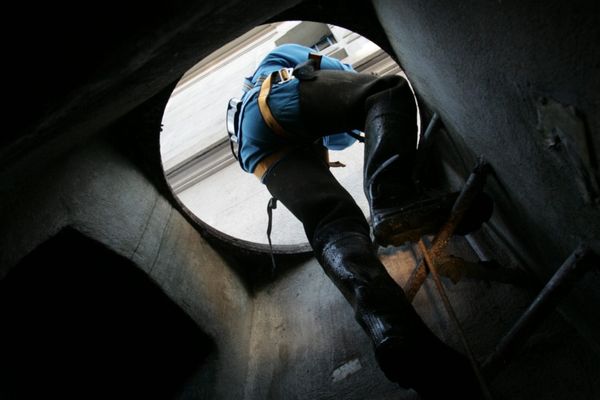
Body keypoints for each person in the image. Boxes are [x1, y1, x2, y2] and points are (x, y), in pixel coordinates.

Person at [229, 43, 488, 398]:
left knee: (334, 224)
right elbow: (349, 106)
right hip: (274, 99)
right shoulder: (293, 56)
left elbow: (332, 135)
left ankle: (390, 328)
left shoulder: (250, 103)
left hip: (255, 149)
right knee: (386, 92)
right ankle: (392, 198)